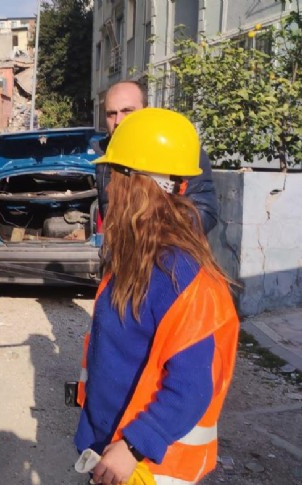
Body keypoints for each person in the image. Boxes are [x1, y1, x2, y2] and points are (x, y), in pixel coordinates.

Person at [73, 108, 239, 485]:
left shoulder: (185, 280)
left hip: (151, 468)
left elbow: (191, 387)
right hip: (115, 452)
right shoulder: (134, 259)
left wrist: (131, 448)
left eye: (116, 174)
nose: (110, 186)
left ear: (141, 184)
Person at [93, 80, 218, 234]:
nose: (118, 121)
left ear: (146, 111)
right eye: (111, 114)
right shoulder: (106, 155)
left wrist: (157, 233)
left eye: (127, 111)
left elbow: (205, 213)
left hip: (169, 252)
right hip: (123, 254)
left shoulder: (178, 149)